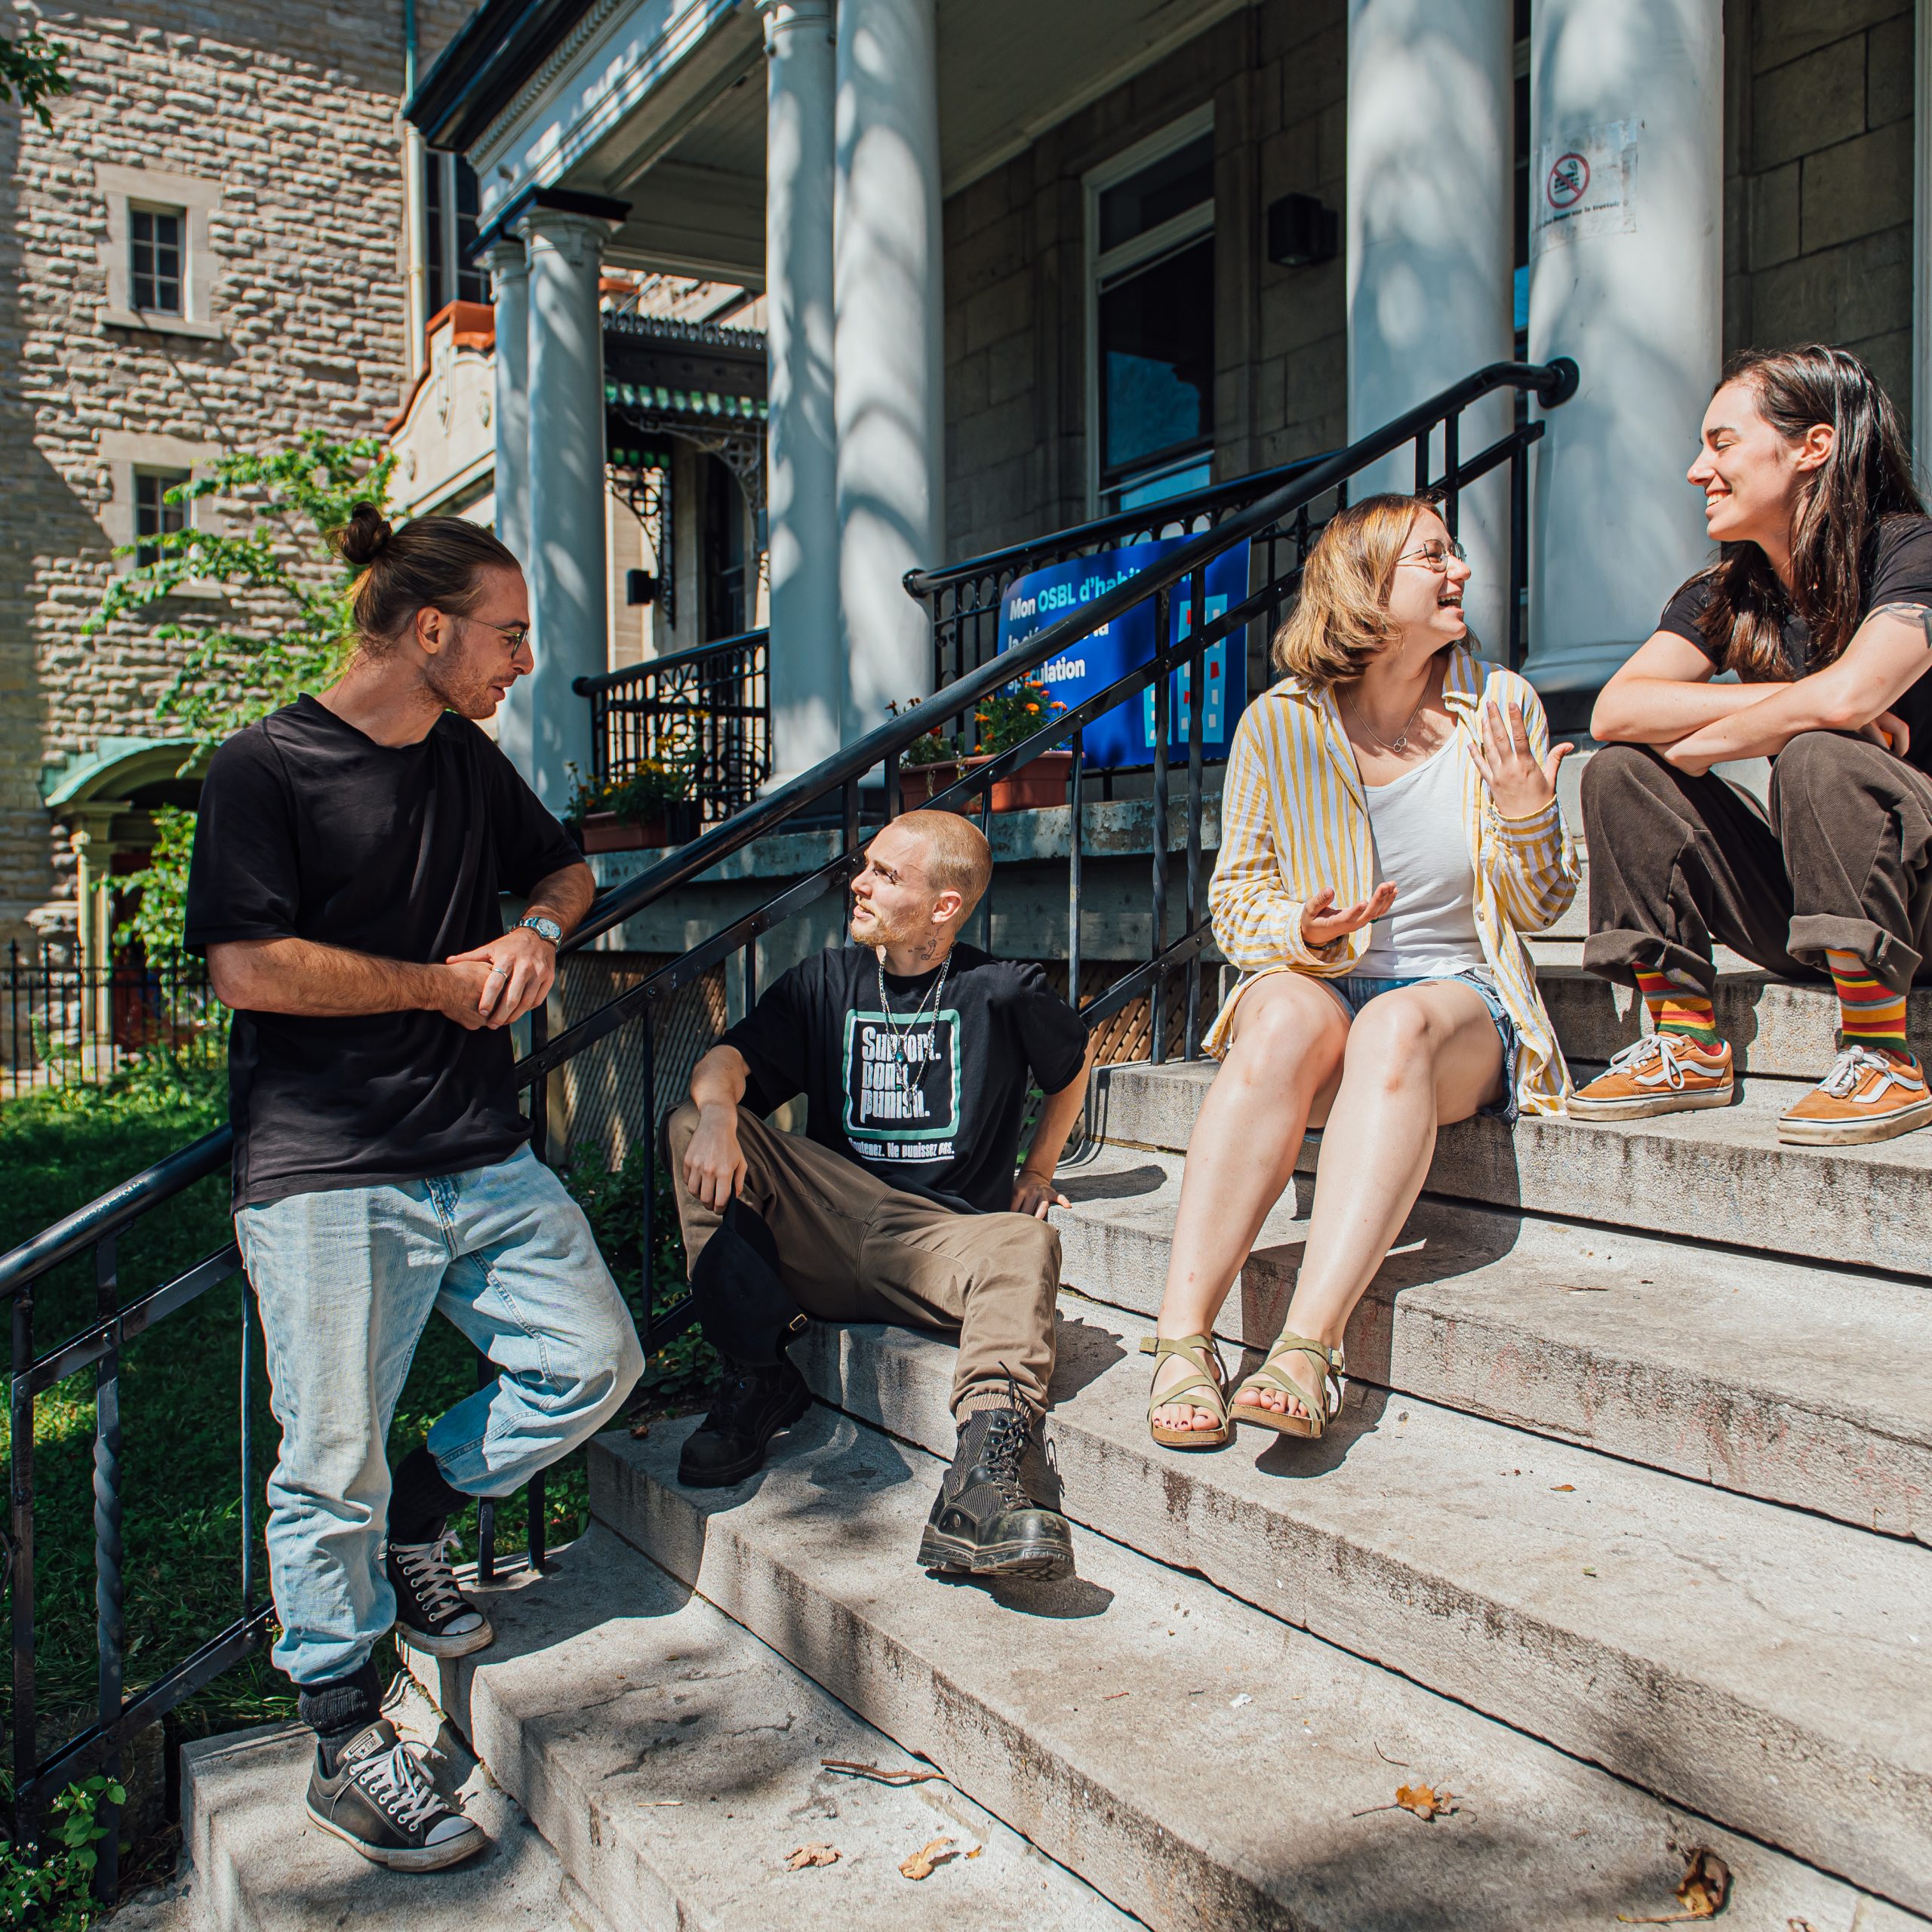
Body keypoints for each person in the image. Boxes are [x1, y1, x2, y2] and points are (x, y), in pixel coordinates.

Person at [184, 506, 643, 1871]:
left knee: (593, 1361)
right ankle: (342, 1730)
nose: (524, 660)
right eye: (509, 634)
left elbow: (566, 865)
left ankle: (418, 1520)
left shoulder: (464, 757)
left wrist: (540, 930)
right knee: (328, 1461)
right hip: (327, 1172)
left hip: (480, 1152)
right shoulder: (265, 767)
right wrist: (440, 987)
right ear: (429, 629)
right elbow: (249, 968)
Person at [1145, 494, 1578, 1447]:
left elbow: (1543, 906)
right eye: (1434, 556)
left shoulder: (1498, 705)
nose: (1461, 570)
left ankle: (1308, 1344)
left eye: (1454, 552)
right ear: (1366, 586)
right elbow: (1235, 901)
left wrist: (1525, 811)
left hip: (1454, 1002)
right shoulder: (1279, 724)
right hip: (1320, 985)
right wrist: (1302, 926)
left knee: (1395, 1022)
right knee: (1279, 1020)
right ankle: (1182, 1339)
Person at [667, 809, 1094, 1580]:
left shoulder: (1001, 989)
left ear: (944, 906)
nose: (858, 884)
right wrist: (722, 1115)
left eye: (886, 875)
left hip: (936, 1241)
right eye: (864, 867)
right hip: (827, 1220)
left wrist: (1037, 1171)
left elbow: (1072, 1065)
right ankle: (757, 1372)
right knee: (691, 1119)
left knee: (1027, 1240)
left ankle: (981, 1482)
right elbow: (726, 1062)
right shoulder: (824, 981)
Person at [1574, 344, 1932, 1144]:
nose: (1697, 470)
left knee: (1822, 752)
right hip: (1818, 898)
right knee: (1621, 771)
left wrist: (1716, 738)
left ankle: (1881, 1054)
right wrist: (1789, 705)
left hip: (1921, 894)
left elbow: (1850, 697)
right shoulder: (1728, 593)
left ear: (1813, 446)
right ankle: (1685, 1041)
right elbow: (1614, 711)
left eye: (1722, 443)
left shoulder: (1910, 552)